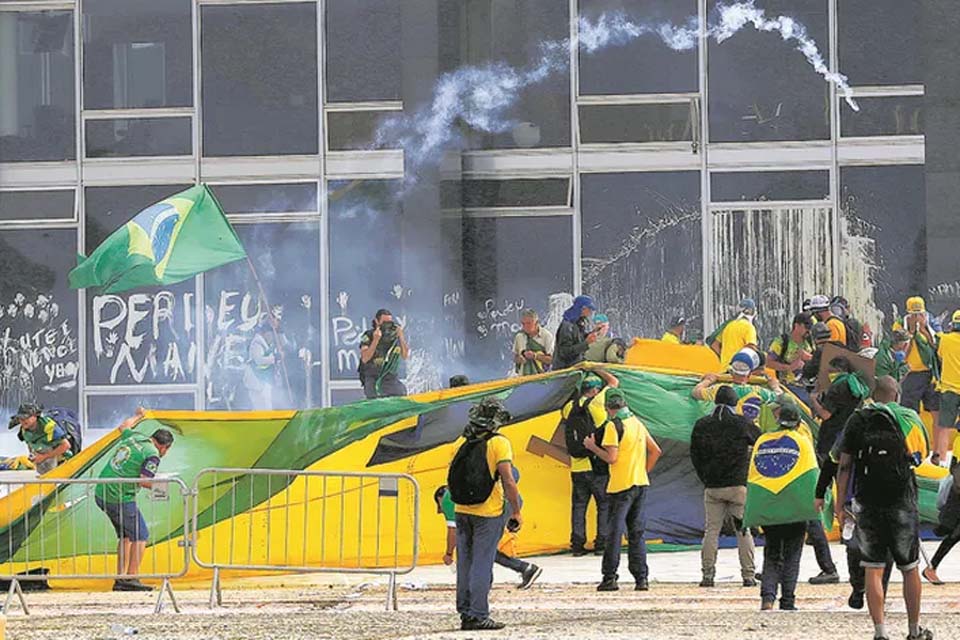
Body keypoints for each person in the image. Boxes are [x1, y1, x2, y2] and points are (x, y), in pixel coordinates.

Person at [836, 377, 934, 640]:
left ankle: (880, 632)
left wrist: (839, 504)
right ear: (897, 395)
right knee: (910, 568)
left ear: (873, 395)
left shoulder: (858, 419)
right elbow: (921, 456)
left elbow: (844, 465)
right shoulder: (909, 418)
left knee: (873, 568)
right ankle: (914, 630)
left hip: (867, 502)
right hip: (902, 501)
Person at [447, 398, 521, 631]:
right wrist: (516, 510)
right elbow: (508, 480)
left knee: (465, 564)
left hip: (461, 510)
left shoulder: (461, 441)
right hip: (487, 512)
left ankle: (466, 613)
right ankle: (480, 614)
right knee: (482, 564)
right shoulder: (499, 443)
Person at [584, 388, 662, 592]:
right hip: (640, 484)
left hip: (620, 486)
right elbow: (655, 451)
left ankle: (610, 578)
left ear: (609, 408)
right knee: (637, 533)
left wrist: (592, 446)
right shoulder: (636, 422)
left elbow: (611, 458)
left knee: (614, 533)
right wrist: (642, 472)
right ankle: (641, 579)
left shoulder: (613, 426)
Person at [95, 408, 175, 592]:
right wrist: (163, 485)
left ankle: (121, 577)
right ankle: (131, 578)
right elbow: (144, 480)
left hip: (102, 492)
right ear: (164, 447)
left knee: (126, 536)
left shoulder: (136, 437)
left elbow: (124, 426)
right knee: (141, 535)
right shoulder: (152, 454)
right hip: (119, 496)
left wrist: (139, 415)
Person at [690, 386, 761, 588]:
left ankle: (708, 575)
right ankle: (748, 575)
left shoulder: (702, 424)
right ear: (734, 403)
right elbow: (761, 440)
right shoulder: (741, 423)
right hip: (738, 486)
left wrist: (705, 478)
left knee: (711, 531)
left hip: (712, 487)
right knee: (743, 531)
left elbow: (695, 456)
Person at [435, 482, 542, 591]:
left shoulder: (448, 500)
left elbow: (452, 531)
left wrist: (448, 554)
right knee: (482, 547)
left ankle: (524, 569)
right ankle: (491, 579)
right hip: (507, 501)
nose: (441, 510)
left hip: (500, 506)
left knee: (483, 547)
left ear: (440, 498)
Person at [756, 404, 811, 611]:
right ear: (798, 423)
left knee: (771, 553)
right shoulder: (802, 442)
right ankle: (787, 601)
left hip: (770, 505)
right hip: (795, 507)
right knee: (792, 555)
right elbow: (811, 474)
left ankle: (767, 599)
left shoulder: (763, 440)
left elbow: (754, 476)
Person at [562, 370, 618, 556]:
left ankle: (577, 545)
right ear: (594, 390)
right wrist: (594, 367)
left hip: (577, 465)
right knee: (603, 505)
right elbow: (613, 381)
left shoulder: (568, 407)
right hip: (597, 464)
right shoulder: (597, 403)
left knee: (579, 506)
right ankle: (601, 544)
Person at [896, 296, 942, 464]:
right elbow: (902, 353)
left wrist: (923, 330)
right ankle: (912, 448)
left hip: (930, 375)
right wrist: (910, 334)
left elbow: (937, 345)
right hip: (911, 374)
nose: (916, 317)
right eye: (913, 314)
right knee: (910, 413)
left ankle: (937, 453)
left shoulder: (931, 323)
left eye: (919, 313)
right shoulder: (900, 324)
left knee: (936, 411)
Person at [692, 348, 782, 403]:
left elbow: (696, 392)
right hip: (750, 432)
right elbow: (781, 398)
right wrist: (775, 386)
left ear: (731, 372)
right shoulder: (757, 392)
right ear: (750, 373)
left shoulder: (719, 390)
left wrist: (708, 380)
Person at [359, 308, 410, 399]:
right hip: (374, 377)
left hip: (390, 378)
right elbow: (365, 358)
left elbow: (405, 355)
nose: (387, 326)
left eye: (389, 322)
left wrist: (401, 337)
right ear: (377, 321)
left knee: (401, 393)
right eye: (384, 322)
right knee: (375, 398)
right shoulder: (369, 335)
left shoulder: (394, 336)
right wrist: (375, 340)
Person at [243, 312, 289, 409]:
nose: (272, 337)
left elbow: (285, 345)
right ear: (265, 333)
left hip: (265, 381)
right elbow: (259, 360)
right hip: (256, 381)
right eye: (270, 334)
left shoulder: (270, 344)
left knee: (268, 407)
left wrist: (279, 330)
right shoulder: (257, 342)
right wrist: (275, 358)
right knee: (261, 409)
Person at [9, 403, 72, 475]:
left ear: (35, 416)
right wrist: (32, 455)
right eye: (21, 418)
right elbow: (29, 443)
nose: (23, 421)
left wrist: (44, 457)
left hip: (62, 462)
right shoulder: (24, 430)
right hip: (42, 465)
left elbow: (66, 445)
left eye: (26, 418)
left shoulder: (49, 427)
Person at [766, 312, 815, 404]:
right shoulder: (782, 341)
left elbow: (818, 359)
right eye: (806, 328)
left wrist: (809, 358)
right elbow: (768, 362)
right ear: (796, 326)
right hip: (789, 386)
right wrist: (789, 367)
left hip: (809, 385)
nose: (809, 331)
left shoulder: (810, 341)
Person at [935, 311, 960, 463]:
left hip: (949, 390)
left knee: (944, 427)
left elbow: (940, 356)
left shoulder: (945, 339)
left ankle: (942, 459)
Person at [710, 299, 759, 368]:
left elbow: (714, 344)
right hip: (738, 370)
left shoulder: (729, 326)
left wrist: (725, 358)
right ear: (752, 311)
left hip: (724, 369)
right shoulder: (748, 327)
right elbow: (751, 347)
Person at [553, 295, 598, 370]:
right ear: (583, 309)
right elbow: (564, 352)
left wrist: (590, 334)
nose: (591, 312)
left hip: (576, 365)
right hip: (565, 369)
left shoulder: (578, 323)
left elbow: (577, 339)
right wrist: (586, 343)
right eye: (589, 309)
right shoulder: (567, 326)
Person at [512, 308, 554, 376]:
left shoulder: (546, 336)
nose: (525, 326)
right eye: (523, 324)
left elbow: (552, 360)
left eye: (529, 323)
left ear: (536, 323)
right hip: (522, 378)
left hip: (542, 378)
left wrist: (535, 356)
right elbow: (515, 357)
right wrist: (520, 359)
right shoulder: (519, 337)